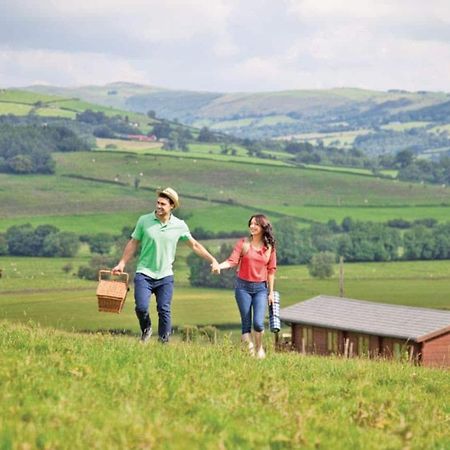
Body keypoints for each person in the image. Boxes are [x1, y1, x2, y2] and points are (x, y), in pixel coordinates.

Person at [112, 187, 220, 343]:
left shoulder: (179, 225)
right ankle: (146, 328)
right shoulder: (144, 221)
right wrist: (122, 263)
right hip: (144, 273)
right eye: (157, 203)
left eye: (163, 204)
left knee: (164, 309)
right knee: (141, 307)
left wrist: (213, 260)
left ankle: (163, 342)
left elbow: (195, 245)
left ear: (172, 206)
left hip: (165, 276)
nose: (158, 206)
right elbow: (133, 242)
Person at [217, 214, 277, 359]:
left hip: (261, 289)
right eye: (251, 224)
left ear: (263, 227)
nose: (252, 226)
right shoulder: (243, 244)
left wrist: (270, 293)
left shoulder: (269, 248)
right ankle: (250, 354)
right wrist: (219, 266)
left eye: (256, 224)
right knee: (246, 323)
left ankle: (259, 347)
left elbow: (271, 270)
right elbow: (232, 261)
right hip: (242, 287)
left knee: (258, 323)